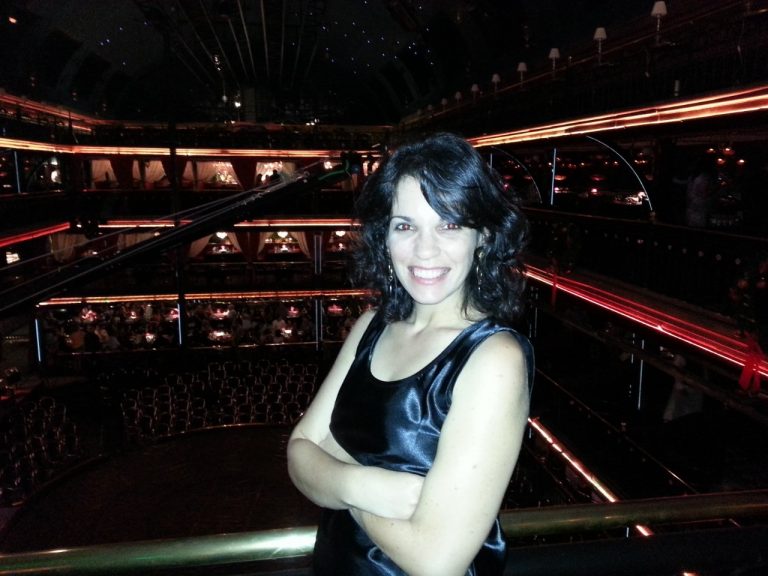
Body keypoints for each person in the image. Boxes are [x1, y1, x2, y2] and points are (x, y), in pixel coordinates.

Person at [287, 132, 534, 575]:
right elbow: (298, 452)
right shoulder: (370, 326)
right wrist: (364, 485)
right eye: (405, 226)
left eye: (449, 225)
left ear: (482, 236)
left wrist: (335, 466)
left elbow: (436, 561)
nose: (425, 250)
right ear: (384, 236)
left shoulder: (493, 358)